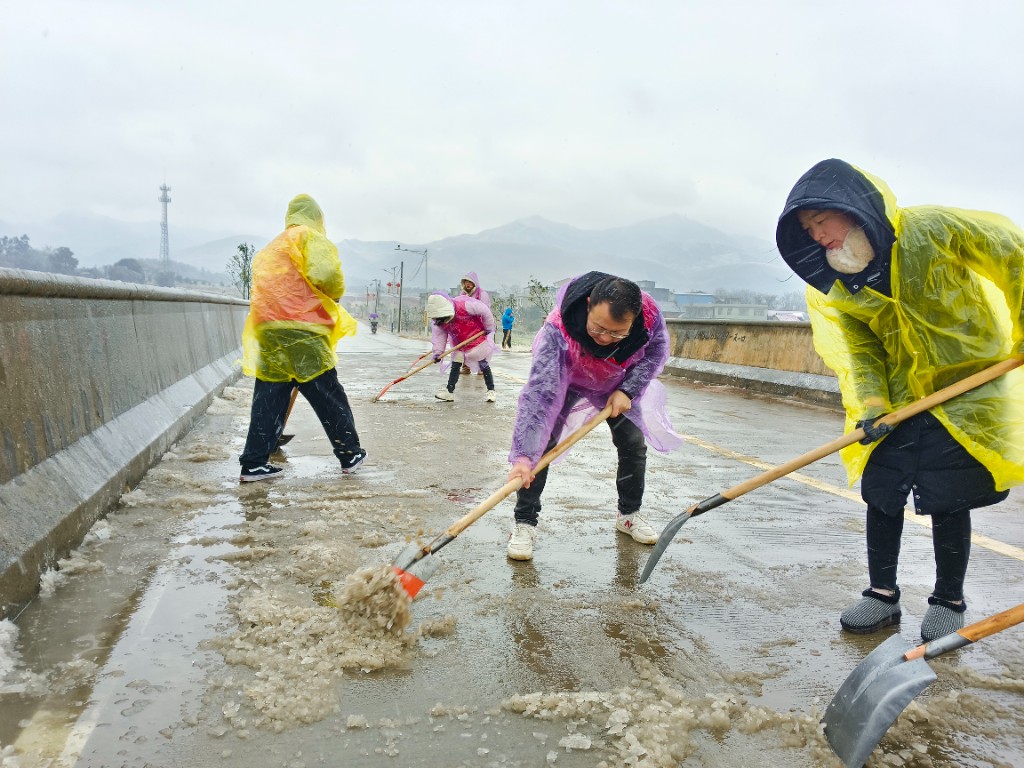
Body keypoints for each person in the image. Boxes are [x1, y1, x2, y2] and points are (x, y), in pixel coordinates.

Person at [776, 158, 1024, 642]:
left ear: (851, 207)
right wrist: (873, 402)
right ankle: (882, 594)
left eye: (821, 221)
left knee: (949, 495)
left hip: (965, 385)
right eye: (808, 231)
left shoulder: (931, 230)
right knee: (882, 490)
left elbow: (1012, 255)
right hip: (896, 396)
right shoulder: (841, 283)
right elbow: (863, 348)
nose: (819, 237)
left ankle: (948, 599)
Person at [506, 272, 683, 560]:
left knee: (632, 442)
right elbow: (540, 395)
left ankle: (629, 515)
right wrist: (524, 457)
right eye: (598, 328)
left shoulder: (649, 316)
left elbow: (656, 351)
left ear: (634, 319)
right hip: (567, 377)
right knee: (542, 443)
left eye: (617, 333)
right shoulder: (558, 329)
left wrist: (628, 390)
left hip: (616, 383)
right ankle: (525, 522)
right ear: (589, 304)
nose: (604, 339)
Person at [238, 194, 367, 481]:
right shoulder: (308, 237)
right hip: (302, 328)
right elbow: (328, 275)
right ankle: (349, 453)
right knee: (327, 392)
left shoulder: (272, 247)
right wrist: (333, 294)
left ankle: (254, 463)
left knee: (269, 396)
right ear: (317, 218)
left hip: (268, 328)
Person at [426, 292, 498, 402]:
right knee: (456, 363)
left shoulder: (465, 306)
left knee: (483, 363)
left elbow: (485, 311)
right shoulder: (439, 322)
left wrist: (489, 327)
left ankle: (491, 390)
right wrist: (438, 353)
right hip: (461, 344)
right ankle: (449, 391)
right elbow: (440, 338)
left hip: (477, 339)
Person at [459, 272, 491, 374]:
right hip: (466, 327)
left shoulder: (482, 295)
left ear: (474, 283)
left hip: (479, 326)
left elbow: (485, 311)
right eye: (466, 282)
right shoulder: (462, 295)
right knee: (465, 347)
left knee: (480, 347)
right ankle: (466, 368)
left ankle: (482, 369)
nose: (467, 284)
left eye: (470, 282)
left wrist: (486, 326)